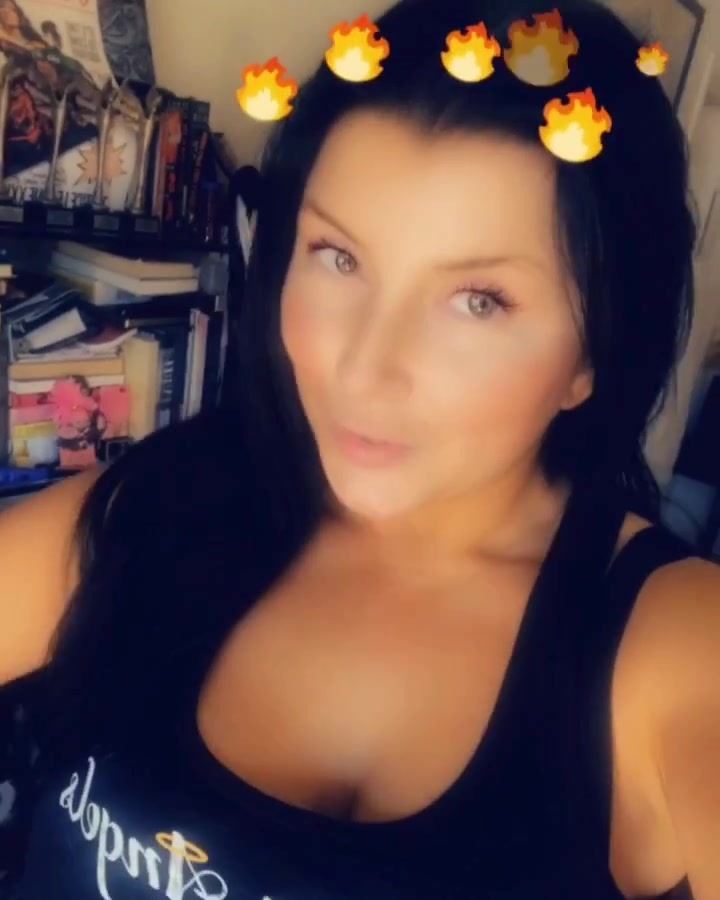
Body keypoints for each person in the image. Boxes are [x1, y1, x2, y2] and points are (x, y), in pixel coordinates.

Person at [1, 0, 719, 897]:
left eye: (480, 301)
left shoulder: (675, 648)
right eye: (338, 257)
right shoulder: (154, 509)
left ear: (592, 356)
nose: (366, 370)